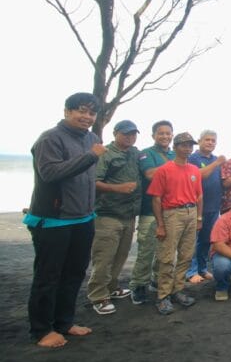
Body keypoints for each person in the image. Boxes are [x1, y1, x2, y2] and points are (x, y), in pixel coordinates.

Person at [25, 92, 105, 348]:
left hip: (83, 218)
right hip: (53, 219)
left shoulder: (92, 138)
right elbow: (49, 173)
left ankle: (64, 322)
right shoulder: (50, 138)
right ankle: (41, 330)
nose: (87, 117)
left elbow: (87, 177)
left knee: (74, 273)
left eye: (91, 112)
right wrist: (91, 156)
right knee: (48, 276)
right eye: (81, 110)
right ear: (67, 111)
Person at [87, 120, 141, 315]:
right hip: (107, 213)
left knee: (121, 254)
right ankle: (98, 296)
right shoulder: (106, 153)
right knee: (104, 256)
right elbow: (93, 181)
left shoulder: (135, 153)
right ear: (115, 133)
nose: (130, 137)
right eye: (126, 133)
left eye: (133, 134)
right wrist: (117, 188)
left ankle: (112, 287)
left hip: (129, 213)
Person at [147, 132, 203, 315]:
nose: (187, 148)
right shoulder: (164, 169)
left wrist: (199, 218)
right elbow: (156, 199)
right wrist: (161, 224)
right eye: (183, 145)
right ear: (176, 147)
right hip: (172, 213)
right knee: (167, 256)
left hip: (191, 212)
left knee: (186, 254)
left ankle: (177, 289)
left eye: (190, 145)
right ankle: (163, 296)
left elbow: (199, 195)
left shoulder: (194, 169)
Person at [129, 120, 174, 305]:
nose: (165, 136)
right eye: (161, 133)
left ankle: (157, 280)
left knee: (166, 250)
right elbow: (149, 174)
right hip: (150, 210)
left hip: (171, 210)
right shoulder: (146, 153)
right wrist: (175, 167)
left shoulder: (174, 154)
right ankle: (139, 285)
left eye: (168, 133)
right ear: (153, 135)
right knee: (146, 249)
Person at [185, 129, 226, 284]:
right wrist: (217, 163)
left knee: (206, 240)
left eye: (213, 140)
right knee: (192, 241)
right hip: (196, 207)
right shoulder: (193, 158)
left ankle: (202, 268)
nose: (210, 143)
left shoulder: (216, 159)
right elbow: (197, 175)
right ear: (200, 141)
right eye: (207, 140)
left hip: (214, 207)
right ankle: (191, 271)